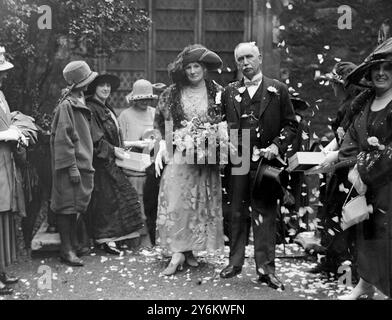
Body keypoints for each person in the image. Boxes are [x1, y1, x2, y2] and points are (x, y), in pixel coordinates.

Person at [220, 42, 298, 290]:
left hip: (266, 160)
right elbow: (222, 124)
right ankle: (235, 262)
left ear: (260, 58)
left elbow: (291, 125)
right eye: (240, 58)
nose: (245, 62)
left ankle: (266, 268)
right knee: (236, 213)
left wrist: (277, 145)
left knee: (264, 212)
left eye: (249, 57)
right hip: (238, 159)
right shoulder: (229, 91)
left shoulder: (278, 89)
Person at [154, 44, 225, 275]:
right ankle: (176, 252)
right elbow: (160, 123)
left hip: (207, 156)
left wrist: (218, 140)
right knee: (176, 199)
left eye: (197, 66)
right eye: (188, 67)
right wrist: (162, 144)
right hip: (180, 154)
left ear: (204, 68)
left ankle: (190, 251)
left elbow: (226, 122)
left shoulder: (217, 91)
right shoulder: (172, 92)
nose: (193, 71)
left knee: (199, 202)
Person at [337, 39, 392, 300]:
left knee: (387, 238)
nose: (381, 73)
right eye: (376, 68)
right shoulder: (365, 103)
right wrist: (353, 170)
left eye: (387, 67)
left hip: (389, 185)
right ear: (369, 74)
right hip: (364, 185)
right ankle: (365, 285)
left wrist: (369, 167)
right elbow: (350, 138)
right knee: (365, 235)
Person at [308, 62, 364, 275]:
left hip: (351, 169)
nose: (332, 88)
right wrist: (327, 149)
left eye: (334, 84)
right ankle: (330, 260)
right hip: (340, 167)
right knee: (330, 210)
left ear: (344, 85)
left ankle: (345, 266)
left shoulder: (355, 106)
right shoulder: (346, 106)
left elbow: (353, 138)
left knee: (345, 214)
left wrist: (334, 154)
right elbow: (341, 134)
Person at [85, 73, 144, 255]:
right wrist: (113, 150)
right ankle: (104, 240)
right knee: (106, 202)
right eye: (101, 85)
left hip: (112, 160)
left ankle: (114, 239)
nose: (105, 89)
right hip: (101, 162)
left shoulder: (106, 107)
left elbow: (114, 135)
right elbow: (95, 139)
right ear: (94, 88)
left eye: (108, 86)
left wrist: (126, 146)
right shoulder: (91, 108)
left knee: (117, 199)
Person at [50, 61, 97, 267]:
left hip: (82, 162)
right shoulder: (66, 106)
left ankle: (74, 244)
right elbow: (63, 138)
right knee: (66, 208)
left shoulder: (80, 101)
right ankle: (66, 249)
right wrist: (71, 167)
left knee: (75, 206)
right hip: (71, 165)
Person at [118, 79, 159, 247]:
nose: (144, 102)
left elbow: (161, 137)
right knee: (136, 204)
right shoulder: (125, 116)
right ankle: (139, 239)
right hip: (132, 166)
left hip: (153, 165)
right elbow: (119, 144)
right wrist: (137, 143)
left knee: (153, 204)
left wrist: (154, 143)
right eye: (140, 98)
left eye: (147, 98)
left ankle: (154, 237)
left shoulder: (155, 113)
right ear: (134, 98)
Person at [0, 46, 23, 295]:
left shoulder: (1, 95)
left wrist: (16, 131)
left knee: (4, 214)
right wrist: (5, 134)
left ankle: (1, 270)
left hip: (4, 162)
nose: (3, 76)